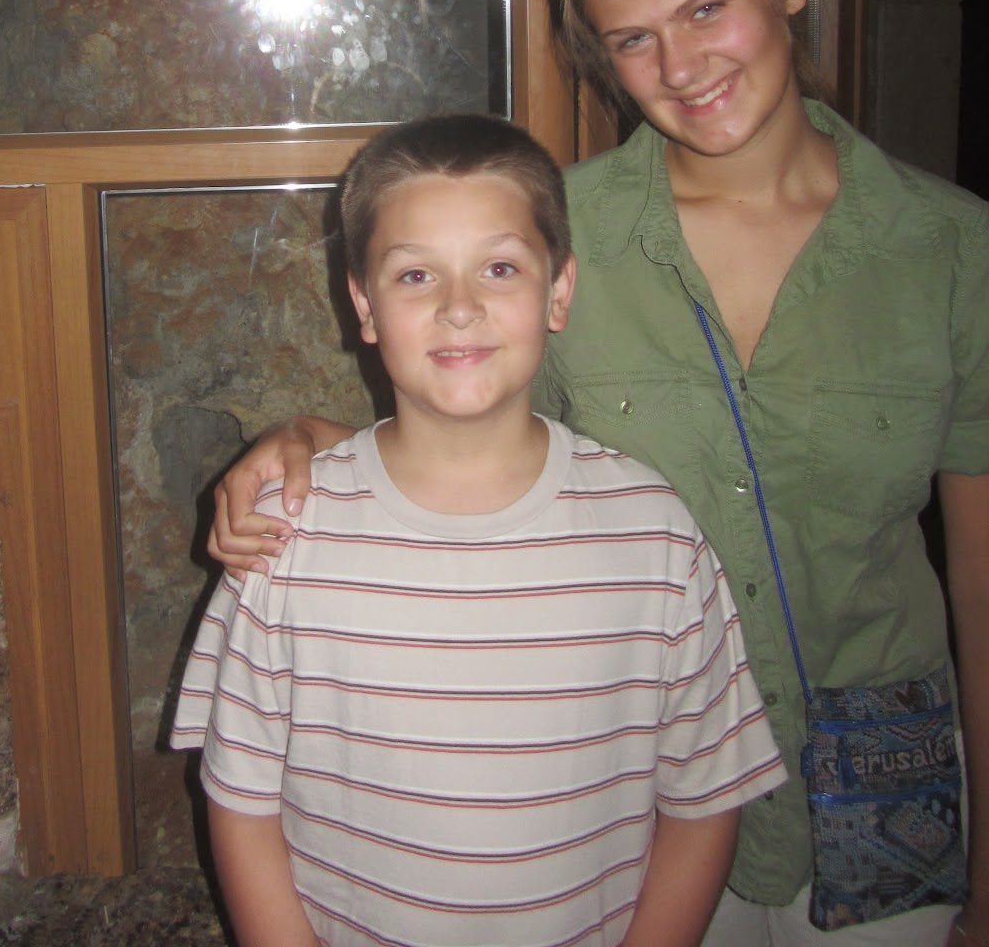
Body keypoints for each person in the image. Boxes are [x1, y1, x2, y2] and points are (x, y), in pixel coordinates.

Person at [208, 0, 989, 947]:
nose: (682, 66)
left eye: (708, 8)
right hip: (624, 819)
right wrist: (297, 437)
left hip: (881, 800)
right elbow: (467, 442)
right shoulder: (550, 232)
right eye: (633, 38)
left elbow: (979, 586)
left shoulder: (953, 250)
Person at [173, 112, 787, 947]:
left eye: (499, 268)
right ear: (364, 305)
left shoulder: (656, 538)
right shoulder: (284, 538)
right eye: (416, 275)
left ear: (558, 291)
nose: (459, 308)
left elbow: (704, 801)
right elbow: (242, 800)